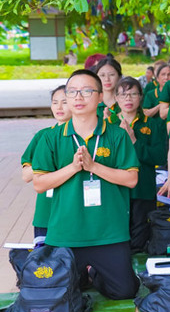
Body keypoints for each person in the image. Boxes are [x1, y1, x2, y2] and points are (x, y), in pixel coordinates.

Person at [31, 69, 140, 299]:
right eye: (72, 92)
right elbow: (39, 184)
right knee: (57, 294)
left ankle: (94, 274)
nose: (78, 97)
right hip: (65, 233)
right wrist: (73, 168)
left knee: (125, 291)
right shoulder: (51, 138)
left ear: (100, 96)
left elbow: (131, 179)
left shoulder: (117, 135)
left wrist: (94, 167)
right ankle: (82, 276)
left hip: (108, 232)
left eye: (86, 91)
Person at [111, 76, 168, 252]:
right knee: (116, 232)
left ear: (141, 97)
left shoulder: (152, 124)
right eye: (123, 95)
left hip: (142, 188)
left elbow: (160, 157)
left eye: (133, 94)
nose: (128, 99)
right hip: (115, 190)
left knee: (140, 233)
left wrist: (134, 140)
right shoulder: (107, 124)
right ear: (116, 98)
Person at [21, 85, 71, 241]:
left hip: (72, 211)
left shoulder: (83, 136)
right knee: (45, 262)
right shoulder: (43, 136)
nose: (59, 107)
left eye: (64, 102)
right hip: (46, 213)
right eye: (55, 102)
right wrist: (45, 158)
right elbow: (26, 176)